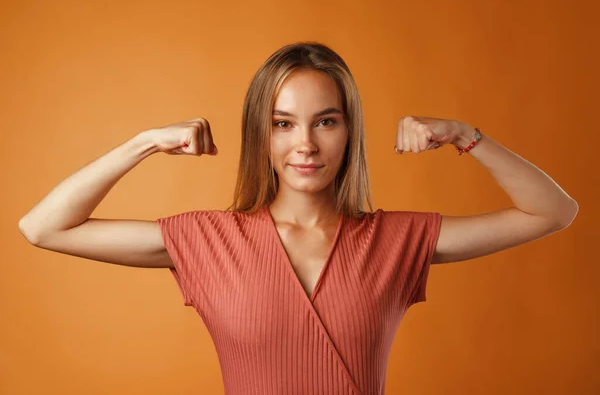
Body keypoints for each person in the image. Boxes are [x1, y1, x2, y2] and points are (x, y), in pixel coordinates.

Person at [18, 41, 578, 394]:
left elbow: (554, 210)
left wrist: (463, 135)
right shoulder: (207, 240)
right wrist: (143, 143)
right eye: (283, 123)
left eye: (326, 121)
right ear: (259, 134)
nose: (305, 144)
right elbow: (43, 227)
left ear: (349, 131)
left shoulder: (397, 240)